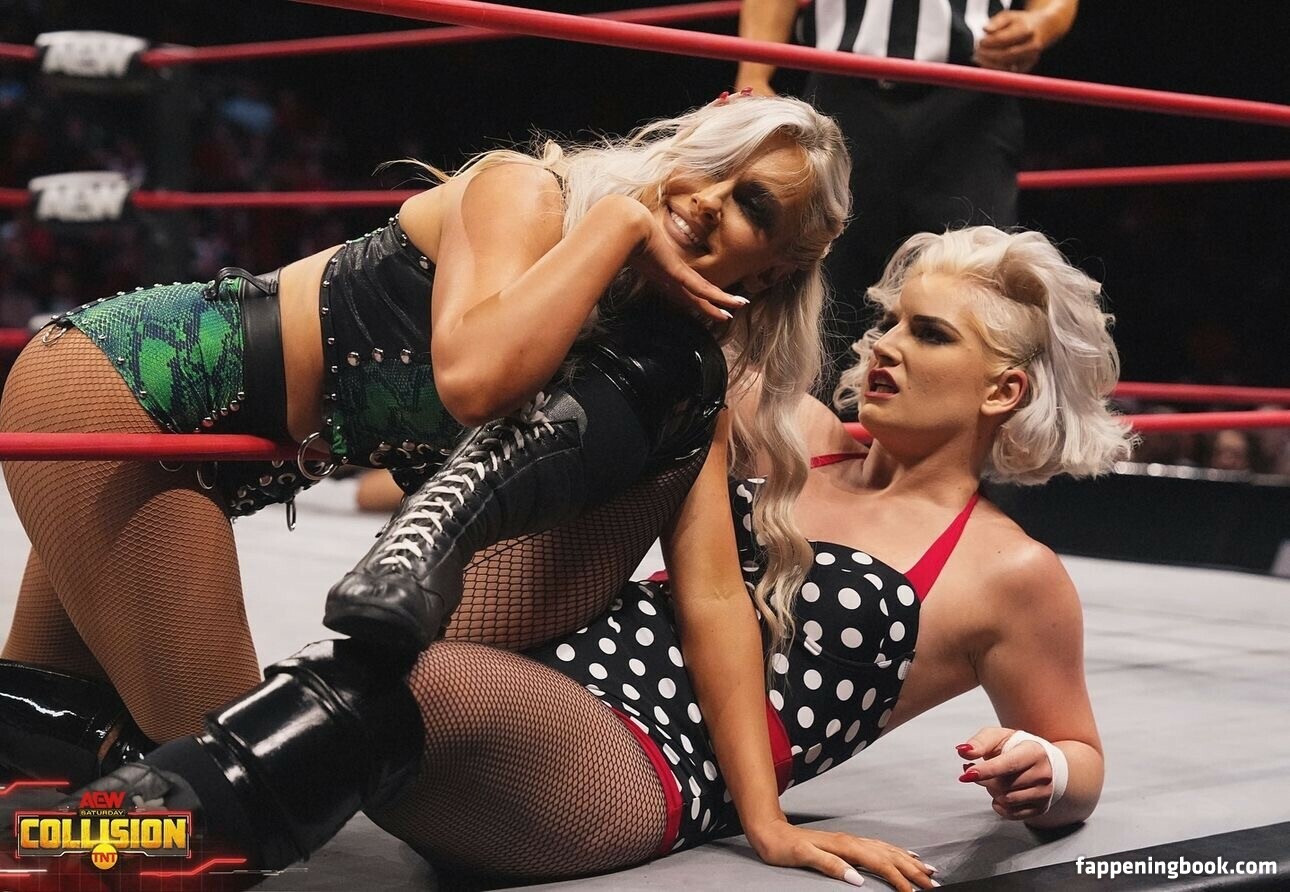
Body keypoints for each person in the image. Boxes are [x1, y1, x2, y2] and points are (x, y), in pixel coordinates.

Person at [2, 226, 1132, 892]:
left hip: (634, 760)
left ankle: (72, 852)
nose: (883, 346)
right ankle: (40, 761)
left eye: (927, 334)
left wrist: (1044, 767)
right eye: (887, 320)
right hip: (533, 649)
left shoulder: (1006, 572)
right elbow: (708, 317)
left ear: (1004, 389)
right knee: (669, 371)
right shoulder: (802, 440)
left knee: (405, 685)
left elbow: (1080, 754)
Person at [0, 93, 849, 765]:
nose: (704, 200)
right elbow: (475, 381)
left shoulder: (661, 360)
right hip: (124, 391)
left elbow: (711, 593)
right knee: (239, 776)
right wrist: (619, 223)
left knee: (49, 741)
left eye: (749, 203)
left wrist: (766, 823)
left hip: (182, 457)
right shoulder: (530, 193)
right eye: (709, 166)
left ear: (775, 272)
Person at [735, 0, 1079, 394]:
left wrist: (1040, 22)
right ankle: (806, 428)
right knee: (818, 276)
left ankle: (961, 428)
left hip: (973, 99)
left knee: (978, 281)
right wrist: (754, 72)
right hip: (844, 86)